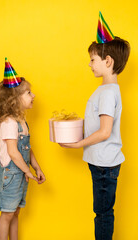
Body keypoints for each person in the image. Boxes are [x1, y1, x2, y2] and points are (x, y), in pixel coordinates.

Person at [59, 12, 130, 240]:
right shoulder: (106, 90)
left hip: (104, 166)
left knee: (102, 214)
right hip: (102, 164)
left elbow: (105, 131)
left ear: (107, 61)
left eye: (92, 59)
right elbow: (97, 124)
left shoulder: (108, 93)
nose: (89, 64)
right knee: (102, 212)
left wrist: (77, 143)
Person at [0, 58, 46, 240]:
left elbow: (26, 149)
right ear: (14, 100)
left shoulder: (22, 122)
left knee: (15, 213)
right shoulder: (8, 123)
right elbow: (13, 152)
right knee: (7, 214)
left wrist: (36, 167)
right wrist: (27, 172)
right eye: (29, 92)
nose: (33, 95)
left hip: (19, 174)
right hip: (10, 175)